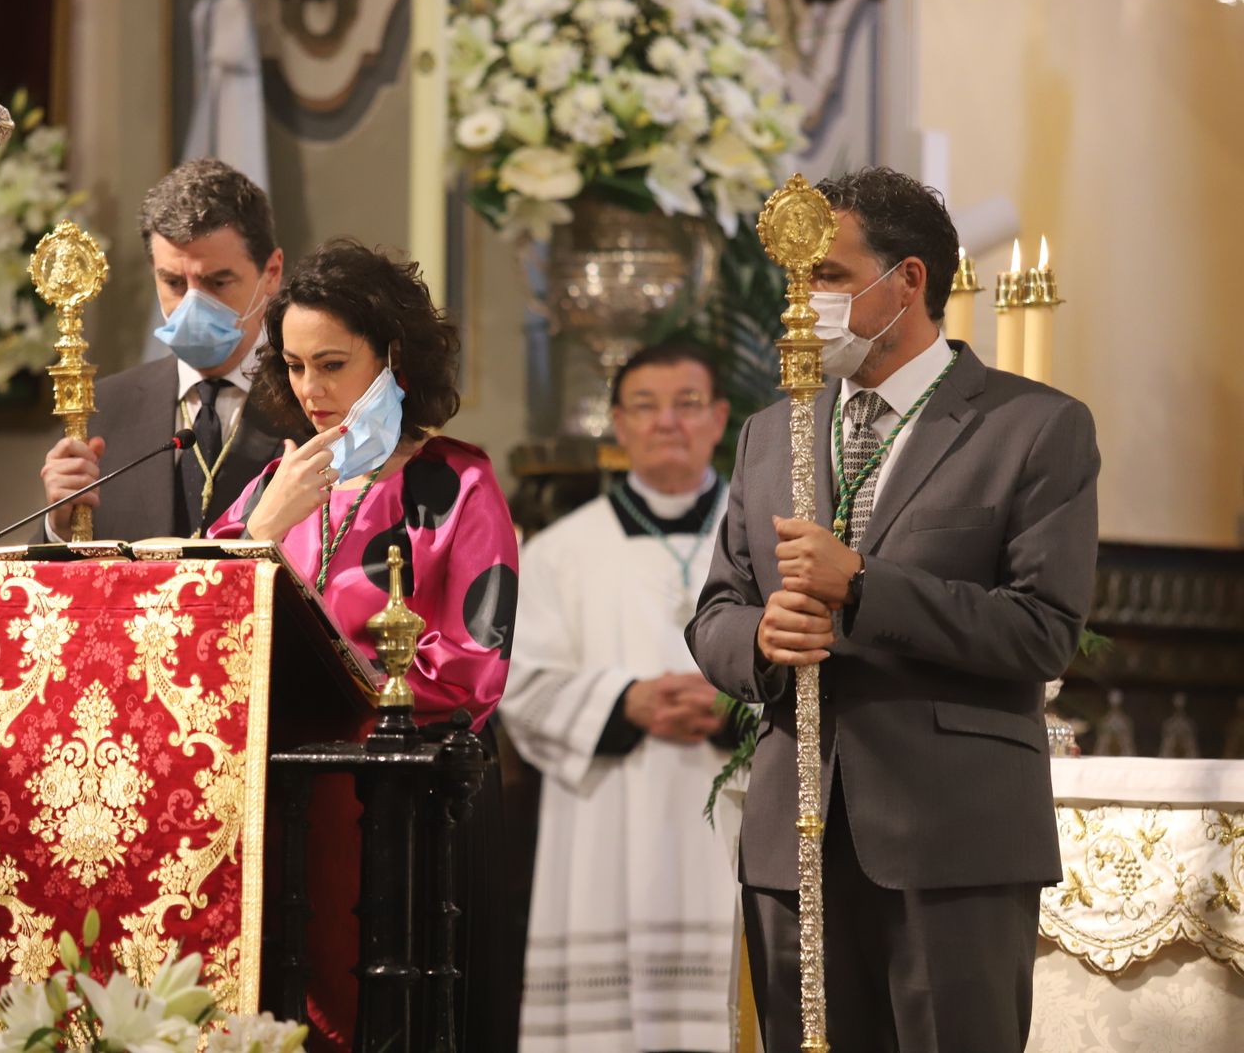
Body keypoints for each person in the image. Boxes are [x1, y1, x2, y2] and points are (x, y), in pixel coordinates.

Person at [686, 167, 1100, 1053]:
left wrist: (864, 588)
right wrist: (758, 637)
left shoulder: (1033, 428)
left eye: (828, 277)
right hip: (794, 836)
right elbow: (717, 606)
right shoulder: (773, 430)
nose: (806, 303)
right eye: (795, 282)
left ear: (907, 280)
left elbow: (1043, 629)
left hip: (950, 839)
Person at [210, 238, 519, 1050]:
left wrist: (344, 693)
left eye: (334, 364)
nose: (311, 390)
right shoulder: (272, 485)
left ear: (395, 359)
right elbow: (199, 632)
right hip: (281, 807)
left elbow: (473, 671)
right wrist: (262, 530)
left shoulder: (458, 485)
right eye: (296, 364)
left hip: (407, 809)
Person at [500, 342, 741, 1053]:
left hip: (731, 813)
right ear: (619, 424)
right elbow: (522, 682)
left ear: (720, 419)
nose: (668, 422)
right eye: (646, 405)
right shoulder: (558, 552)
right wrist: (622, 701)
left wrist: (743, 708)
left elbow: (814, 669)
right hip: (606, 814)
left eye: (687, 404)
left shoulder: (770, 543)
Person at [38, 158, 295, 541]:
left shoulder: (310, 400)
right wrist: (58, 525)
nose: (193, 302)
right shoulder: (106, 407)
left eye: (218, 281)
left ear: (271, 273)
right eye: (174, 282)